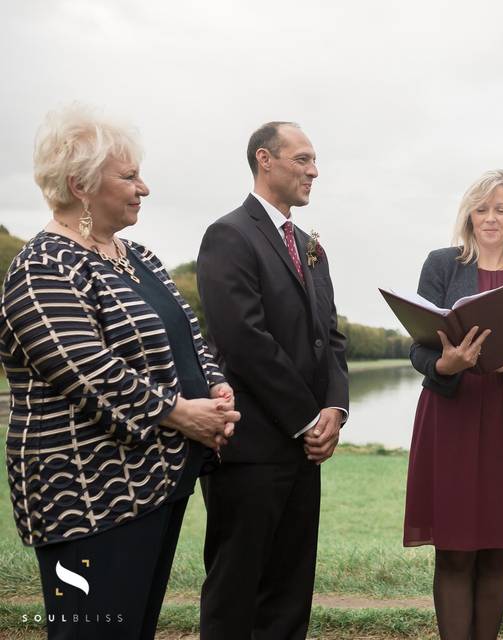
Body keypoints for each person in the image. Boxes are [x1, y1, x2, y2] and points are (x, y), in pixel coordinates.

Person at [0, 104, 238, 640]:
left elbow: (188, 335)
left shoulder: (140, 257)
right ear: (80, 185)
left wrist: (214, 388)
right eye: (128, 176)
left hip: (156, 484)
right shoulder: (42, 267)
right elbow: (89, 372)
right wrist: (181, 414)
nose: (144, 188)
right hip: (87, 496)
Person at [196, 121, 349, 639]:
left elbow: (330, 335)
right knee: (236, 590)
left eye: (314, 160)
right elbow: (244, 340)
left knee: (290, 592)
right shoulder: (229, 235)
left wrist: (335, 409)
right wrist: (306, 417)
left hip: (305, 451)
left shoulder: (309, 245)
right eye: (303, 159)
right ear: (265, 159)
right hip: (251, 446)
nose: (314, 171)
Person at [403, 170, 503, 640]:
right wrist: (447, 365)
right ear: (468, 213)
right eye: (481, 209)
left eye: (500, 208)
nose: (490, 218)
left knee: (498, 548)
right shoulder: (441, 265)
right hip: (451, 416)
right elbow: (418, 346)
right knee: (454, 550)